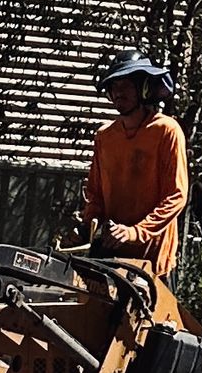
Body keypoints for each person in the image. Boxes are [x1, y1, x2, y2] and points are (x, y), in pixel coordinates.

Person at [79, 52, 190, 281]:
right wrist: (86, 230)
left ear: (145, 88)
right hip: (110, 260)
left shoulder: (166, 131)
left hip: (152, 263)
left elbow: (176, 195)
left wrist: (135, 232)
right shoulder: (105, 137)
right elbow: (95, 195)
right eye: (114, 86)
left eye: (127, 85)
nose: (119, 92)